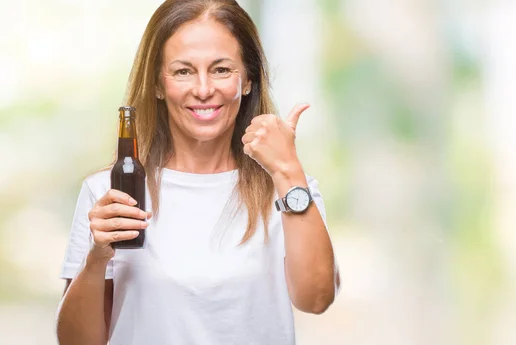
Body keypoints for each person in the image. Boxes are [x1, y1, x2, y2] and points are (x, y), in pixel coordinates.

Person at [55, 0, 340, 344]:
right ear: (158, 85)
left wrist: (287, 170)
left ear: (248, 80)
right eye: (183, 71)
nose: (204, 90)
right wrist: (97, 257)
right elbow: (76, 342)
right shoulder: (109, 192)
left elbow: (316, 299)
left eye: (221, 70)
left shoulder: (291, 191)